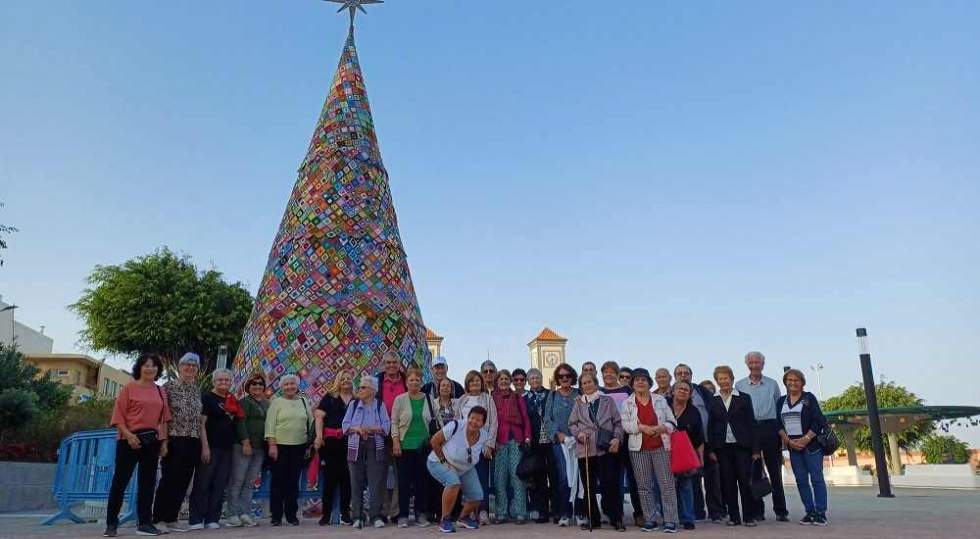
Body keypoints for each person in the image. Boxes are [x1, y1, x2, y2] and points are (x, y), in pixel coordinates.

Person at [103, 353, 171, 538]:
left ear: (158, 369)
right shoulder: (129, 388)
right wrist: (129, 436)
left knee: (147, 484)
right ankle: (111, 524)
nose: (150, 368)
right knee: (120, 482)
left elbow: (164, 420)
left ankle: (145, 523)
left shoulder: (160, 391)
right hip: (128, 440)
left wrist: (163, 443)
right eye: (146, 365)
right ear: (139, 368)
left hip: (152, 441)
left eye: (154, 365)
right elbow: (118, 417)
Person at [621, 368, 679, 533]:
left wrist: (663, 428)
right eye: (637, 380)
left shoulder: (660, 399)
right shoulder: (627, 403)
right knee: (644, 486)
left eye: (643, 380)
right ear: (632, 383)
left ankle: (670, 521)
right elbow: (625, 425)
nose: (640, 382)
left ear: (649, 382)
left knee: (666, 484)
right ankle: (650, 520)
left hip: (661, 446)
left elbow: (672, 421)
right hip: (638, 449)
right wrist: (641, 427)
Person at [152, 352, 204, 532]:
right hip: (174, 437)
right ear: (179, 367)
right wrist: (163, 441)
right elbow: (162, 417)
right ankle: (158, 518)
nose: (190, 368)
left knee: (183, 481)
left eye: (194, 365)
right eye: (186, 365)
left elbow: (199, 419)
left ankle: (172, 518)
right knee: (169, 480)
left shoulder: (197, 389)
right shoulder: (169, 387)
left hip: (193, 440)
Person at [568, 371, 625, 531]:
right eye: (584, 383)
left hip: (604, 448)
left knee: (610, 485)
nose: (587, 385)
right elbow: (572, 423)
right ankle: (593, 519)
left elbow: (618, 422)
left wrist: (616, 438)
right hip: (585, 449)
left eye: (589, 382)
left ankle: (615, 518)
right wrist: (578, 433)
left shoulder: (607, 401)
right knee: (588, 487)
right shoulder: (578, 403)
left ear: (595, 383)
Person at [734, 351, 788, 522]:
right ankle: (758, 511)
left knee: (775, 472)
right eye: (751, 362)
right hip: (750, 429)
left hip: (770, 428)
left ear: (763, 364)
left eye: (758, 362)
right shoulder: (740, 385)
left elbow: (779, 407)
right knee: (755, 472)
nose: (755, 365)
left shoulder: (772, 384)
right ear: (747, 364)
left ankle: (781, 510)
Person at [706, 366, 759, 527]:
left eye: (726, 378)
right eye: (720, 379)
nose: (723, 381)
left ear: (732, 378)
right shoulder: (713, 400)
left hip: (742, 446)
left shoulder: (743, 398)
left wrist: (756, 450)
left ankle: (749, 516)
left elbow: (752, 424)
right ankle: (734, 517)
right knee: (728, 483)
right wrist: (711, 450)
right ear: (717, 381)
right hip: (722, 448)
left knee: (745, 481)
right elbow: (711, 425)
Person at [427, 406, 493, 534]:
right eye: (472, 418)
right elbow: (434, 440)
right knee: (453, 482)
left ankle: (463, 518)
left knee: (477, 496)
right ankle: (444, 520)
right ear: (467, 418)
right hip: (439, 462)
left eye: (478, 420)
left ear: (483, 424)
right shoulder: (455, 425)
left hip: (465, 468)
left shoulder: (484, 435)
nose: (474, 422)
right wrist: (443, 461)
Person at [777, 369, 829, 526]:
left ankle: (820, 513)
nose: (793, 383)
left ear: (802, 382)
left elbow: (818, 420)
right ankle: (810, 511)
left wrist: (806, 439)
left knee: (817, 479)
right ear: (785, 382)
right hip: (793, 447)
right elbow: (777, 424)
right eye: (789, 380)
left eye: (796, 380)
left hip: (811, 446)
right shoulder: (781, 401)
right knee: (801, 480)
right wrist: (787, 441)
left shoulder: (809, 398)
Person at [188, 369, 238, 529]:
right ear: (214, 381)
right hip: (211, 446)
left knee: (219, 483)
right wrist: (205, 447)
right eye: (220, 380)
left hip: (227, 448)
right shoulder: (207, 398)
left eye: (226, 380)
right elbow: (201, 424)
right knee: (203, 482)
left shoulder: (232, 399)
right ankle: (196, 519)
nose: (223, 383)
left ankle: (212, 519)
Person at [674, 363, 724, 523]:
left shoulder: (703, 392)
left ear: (691, 375)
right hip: (683, 446)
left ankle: (716, 513)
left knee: (712, 480)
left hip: (706, 442)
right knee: (691, 481)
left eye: (686, 373)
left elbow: (716, 417)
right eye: (679, 373)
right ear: (675, 377)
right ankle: (697, 513)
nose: (683, 375)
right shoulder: (670, 396)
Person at [343, 375, 392, 529]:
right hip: (356, 443)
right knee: (355, 481)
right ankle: (357, 516)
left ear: (372, 390)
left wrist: (370, 429)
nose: (359, 390)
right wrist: (358, 429)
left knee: (375, 482)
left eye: (363, 387)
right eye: (360, 387)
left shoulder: (379, 405)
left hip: (374, 444)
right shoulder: (353, 404)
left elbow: (386, 427)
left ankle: (375, 516)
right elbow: (345, 426)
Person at [265, 374, 313, 526]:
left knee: (293, 482)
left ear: (297, 386)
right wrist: (272, 444)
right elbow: (270, 424)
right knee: (278, 482)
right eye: (286, 384)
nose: (290, 387)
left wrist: (309, 445)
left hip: (299, 446)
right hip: (280, 446)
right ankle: (276, 516)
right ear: (281, 387)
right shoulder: (276, 402)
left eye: (292, 384)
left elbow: (310, 424)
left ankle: (291, 515)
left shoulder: (304, 402)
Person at [599, 361, 641, 527]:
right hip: (607, 441)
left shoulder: (627, 391)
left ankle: (639, 513)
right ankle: (614, 514)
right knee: (610, 480)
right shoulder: (599, 392)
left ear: (617, 374)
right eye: (605, 372)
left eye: (612, 372)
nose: (608, 375)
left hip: (628, 439)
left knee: (634, 478)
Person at [391, 368, 434, 528]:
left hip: (423, 447)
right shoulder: (400, 399)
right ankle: (403, 515)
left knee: (421, 482)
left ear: (421, 382)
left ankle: (420, 514)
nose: (414, 383)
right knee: (404, 482)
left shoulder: (429, 399)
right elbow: (394, 422)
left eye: (417, 380)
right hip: (404, 446)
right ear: (406, 382)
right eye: (411, 380)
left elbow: (434, 422)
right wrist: (396, 441)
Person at [226, 373, 269, 528]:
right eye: (253, 384)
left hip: (259, 448)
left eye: (260, 384)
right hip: (243, 446)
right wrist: (245, 442)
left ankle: (245, 513)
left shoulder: (267, 403)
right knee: (237, 480)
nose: (257, 386)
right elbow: (240, 423)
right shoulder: (244, 402)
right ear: (248, 387)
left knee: (250, 482)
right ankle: (232, 514)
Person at [454, 370, 497, 525]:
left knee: (482, 479)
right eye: (471, 382)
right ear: (467, 384)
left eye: (477, 381)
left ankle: (483, 510)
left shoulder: (487, 398)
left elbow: (493, 422)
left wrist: (489, 444)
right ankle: (470, 512)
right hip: (465, 446)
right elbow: (457, 422)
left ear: (481, 383)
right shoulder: (462, 400)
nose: (475, 384)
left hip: (482, 445)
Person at [314, 369, 355, 526]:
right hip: (331, 443)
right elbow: (319, 417)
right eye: (343, 379)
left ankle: (345, 513)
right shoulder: (330, 398)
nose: (346, 381)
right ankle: (326, 514)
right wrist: (318, 437)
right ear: (338, 381)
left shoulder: (356, 400)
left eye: (349, 378)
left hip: (350, 442)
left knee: (347, 480)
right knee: (330, 480)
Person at [491, 370, 531, 524]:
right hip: (499, 441)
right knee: (500, 478)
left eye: (506, 379)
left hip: (516, 440)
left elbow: (525, 418)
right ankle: (501, 512)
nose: (503, 381)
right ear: (497, 381)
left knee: (517, 476)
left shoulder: (517, 397)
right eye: (501, 379)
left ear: (510, 381)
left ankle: (521, 512)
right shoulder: (493, 398)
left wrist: (527, 437)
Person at [543, 363, 580, 527]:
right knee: (564, 477)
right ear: (557, 379)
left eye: (567, 376)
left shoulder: (579, 394)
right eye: (561, 376)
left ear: (572, 377)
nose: (564, 378)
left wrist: (578, 434)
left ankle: (580, 512)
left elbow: (585, 416)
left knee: (578, 477)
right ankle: (565, 512)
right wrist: (558, 435)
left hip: (579, 440)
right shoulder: (552, 395)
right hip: (560, 442)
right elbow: (547, 419)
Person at [376, 351, 407, 523]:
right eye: (388, 362)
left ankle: (395, 511)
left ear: (399, 363)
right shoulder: (377, 380)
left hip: (402, 435)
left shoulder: (405, 379)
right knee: (380, 474)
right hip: (381, 434)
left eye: (394, 362)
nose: (391, 365)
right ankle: (382, 510)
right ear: (383, 364)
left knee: (400, 475)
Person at [669, 380, 705, 531]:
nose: (683, 391)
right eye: (680, 388)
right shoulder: (664, 406)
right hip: (665, 452)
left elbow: (699, 438)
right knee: (667, 487)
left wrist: (700, 459)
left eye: (686, 390)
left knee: (686, 486)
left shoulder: (694, 411)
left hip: (685, 454)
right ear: (673, 391)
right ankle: (671, 517)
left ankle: (688, 518)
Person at [524, 368, 554, 524]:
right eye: (532, 378)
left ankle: (556, 509)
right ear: (528, 381)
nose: (535, 380)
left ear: (541, 379)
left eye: (537, 377)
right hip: (534, 442)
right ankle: (541, 511)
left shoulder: (551, 395)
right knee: (538, 477)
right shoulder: (525, 398)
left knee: (554, 475)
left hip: (550, 440)